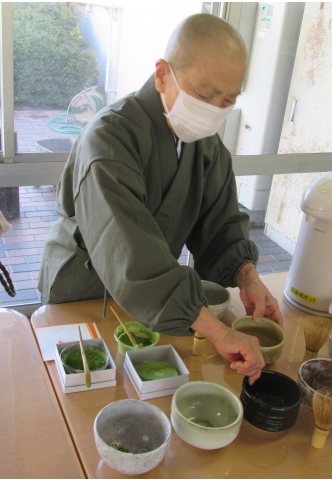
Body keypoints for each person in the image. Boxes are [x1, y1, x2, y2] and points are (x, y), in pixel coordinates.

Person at [39, 13, 283, 384]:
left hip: (156, 295)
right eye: (203, 95)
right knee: (85, 385)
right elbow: (129, 249)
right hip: (87, 290)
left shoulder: (206, 146)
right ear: (161, 74)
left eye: (227, 100)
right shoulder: (109, 138)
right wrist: (218, 331)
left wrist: (248, 277)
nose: (213, 110)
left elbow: (221, 221)